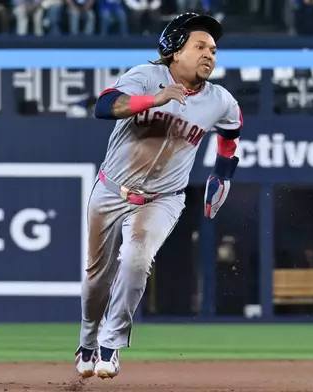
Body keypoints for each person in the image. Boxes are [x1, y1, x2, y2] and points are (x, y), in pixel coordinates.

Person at [75, 12, 242, 379]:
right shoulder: (145, 77)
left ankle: (110, 344)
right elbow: (104, 107)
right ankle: (87, 342)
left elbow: (232, 135)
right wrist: (154, 99)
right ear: (175, 51)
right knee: (95, 278)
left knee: (137, 260)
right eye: (200, 46)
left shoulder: (220, 100)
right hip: (111, 189)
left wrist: (222, 176)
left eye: (213, 50)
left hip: (164, 197)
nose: (209, 55)